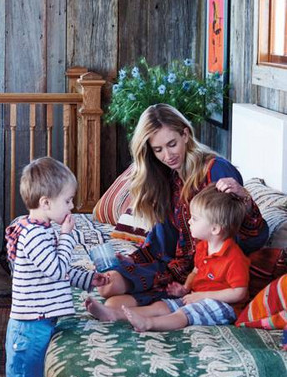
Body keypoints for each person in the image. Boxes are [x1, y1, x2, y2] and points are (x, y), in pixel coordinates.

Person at [98, 104, 267, 309]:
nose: (168, 155)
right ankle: (150, 301)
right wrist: (135, 260)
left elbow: (251, 238)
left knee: (113, 304)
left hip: (208, 269)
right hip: (173, 265)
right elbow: (161, 237)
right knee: (107, 287)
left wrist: (245, 199)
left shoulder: (216, 169)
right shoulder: (166, 175)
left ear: (185, 134)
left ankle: (152, 307)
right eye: (158, 150)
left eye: (172, 144)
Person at [4, 157, 109, 377]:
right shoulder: (37, 235)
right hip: (32, 326)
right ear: (47, 202)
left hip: (28, 323)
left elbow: (63, 273)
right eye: (68, 200)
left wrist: (91, 279)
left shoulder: (39, 228)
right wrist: (66, 237)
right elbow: (56, 268)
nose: (72, 207)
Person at [86, 184, 249, 331]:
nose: (189, 221)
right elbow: (196, 271)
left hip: (225, 306)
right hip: (196, 297)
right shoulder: (203, 247)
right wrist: (185, 288)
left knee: (183, 314)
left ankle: (148, 324)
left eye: (195, 218)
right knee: (161, 306)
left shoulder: (234, 258)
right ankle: (113, 314)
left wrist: (202, 296)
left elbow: (239, 293)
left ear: (215, 229)